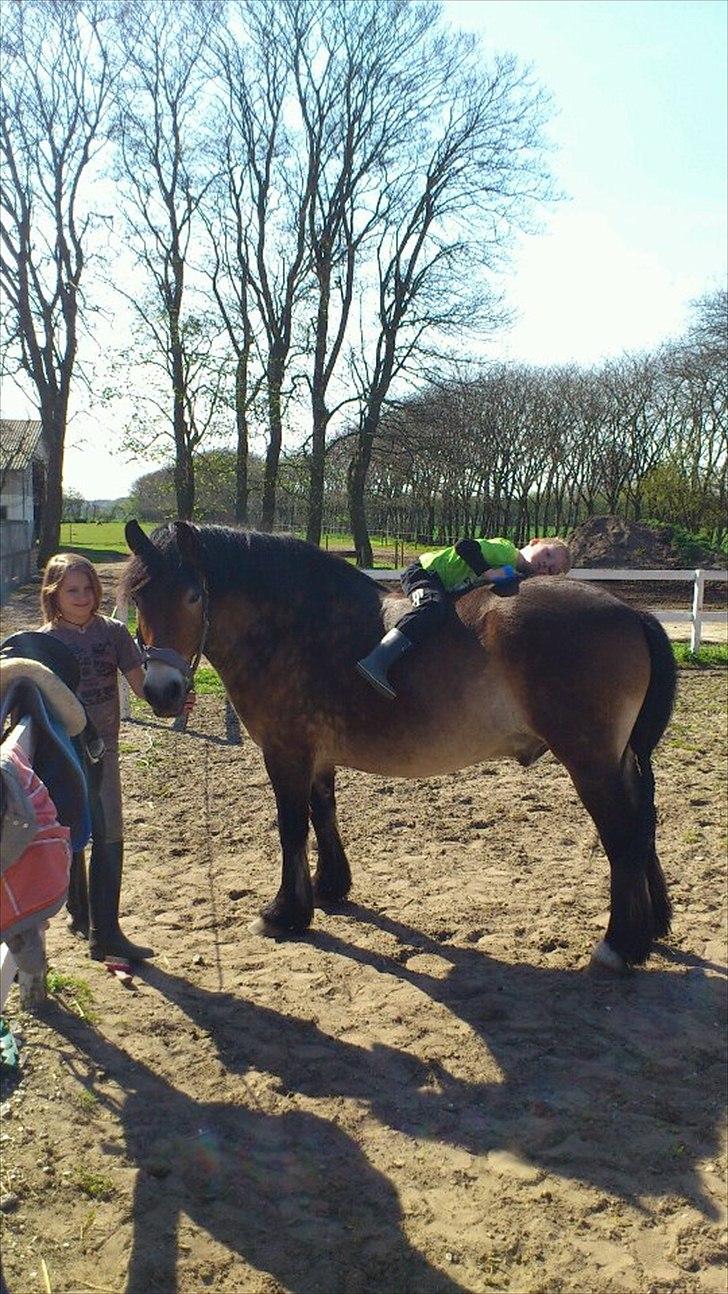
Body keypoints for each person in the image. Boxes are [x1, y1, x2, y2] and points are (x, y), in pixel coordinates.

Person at [39, 552, 194, 962]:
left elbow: (140, 685)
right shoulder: (43, 643)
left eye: (88, 588)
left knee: (109, 833)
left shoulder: (113, 633)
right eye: (73, 590)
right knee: (71, 831)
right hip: (60, 752)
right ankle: (79, 912)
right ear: (54, 594)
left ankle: (105, 933)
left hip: (103, 750)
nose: (83, 597)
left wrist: (170, 702)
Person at [357, 535, 572, 700]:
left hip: (447, 586)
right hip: (425, 573)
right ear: (534, 542)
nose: (546, 565)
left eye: (552, 570)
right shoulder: (506, 552)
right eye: (548, 554)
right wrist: (488, 572)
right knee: (431, 607)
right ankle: (377, 659)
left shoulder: (514, 572)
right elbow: (464, 546)